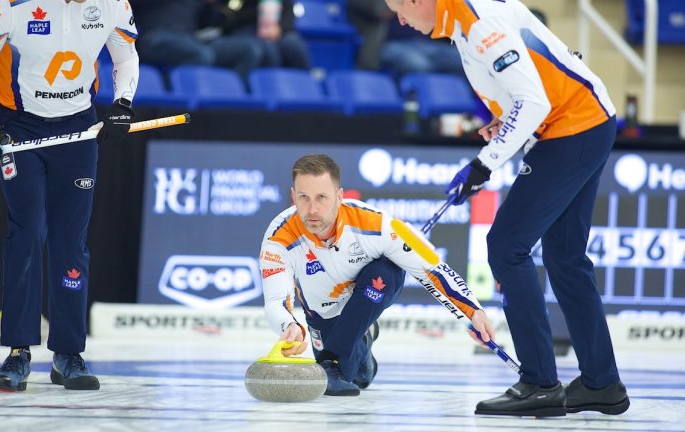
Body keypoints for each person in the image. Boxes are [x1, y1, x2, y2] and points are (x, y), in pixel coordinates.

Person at [384, 0, 629, 417]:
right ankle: (601, 384)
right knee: (565, 257)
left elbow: (533, 101)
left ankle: (539, 382)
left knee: (506, 245)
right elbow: (529, 82)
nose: (401, 21)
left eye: (400, 10)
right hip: (584, 120)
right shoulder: (461, 19)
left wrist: (483, 163)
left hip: (572, 126)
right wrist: (505, 119)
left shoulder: (477, 22)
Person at [0, 0, 139, 392]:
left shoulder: (111, 5)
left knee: (70, 241)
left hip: (78, 130)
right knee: (27, 232)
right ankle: (17, 352)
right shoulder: (9, 7)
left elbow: (126, 58)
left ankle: (68, 354)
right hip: (18, 129)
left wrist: (122, 104)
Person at [258, 154, 494, 396]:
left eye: (322, 197)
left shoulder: (377, 224)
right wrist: (290, 325)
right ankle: (364, 338)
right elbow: (276, 301)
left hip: (373, 289)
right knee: (358, 377)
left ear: (340, 197)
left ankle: (334, 355)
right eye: (304, 197)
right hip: (323, 313)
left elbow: (432, 267)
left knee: (380, 275)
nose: (312, 209)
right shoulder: (279, 237)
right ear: (292, 196)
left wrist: (473, 311)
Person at [133, 0, 263, 82]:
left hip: (191, 39)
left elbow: (211, 22)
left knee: (249, 50)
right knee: (200, 54)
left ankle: (228, 98)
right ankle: (171, 93)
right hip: (155, 36)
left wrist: (211, 5)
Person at [215, 0, 311, 70]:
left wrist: (280, 29)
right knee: (268, 49)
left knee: (294, 44)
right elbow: (229, 15)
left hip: (277, 27)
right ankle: (273, 88)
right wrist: (260, 16)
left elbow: (288, 11)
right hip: (245, 27)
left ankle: (305, 88)